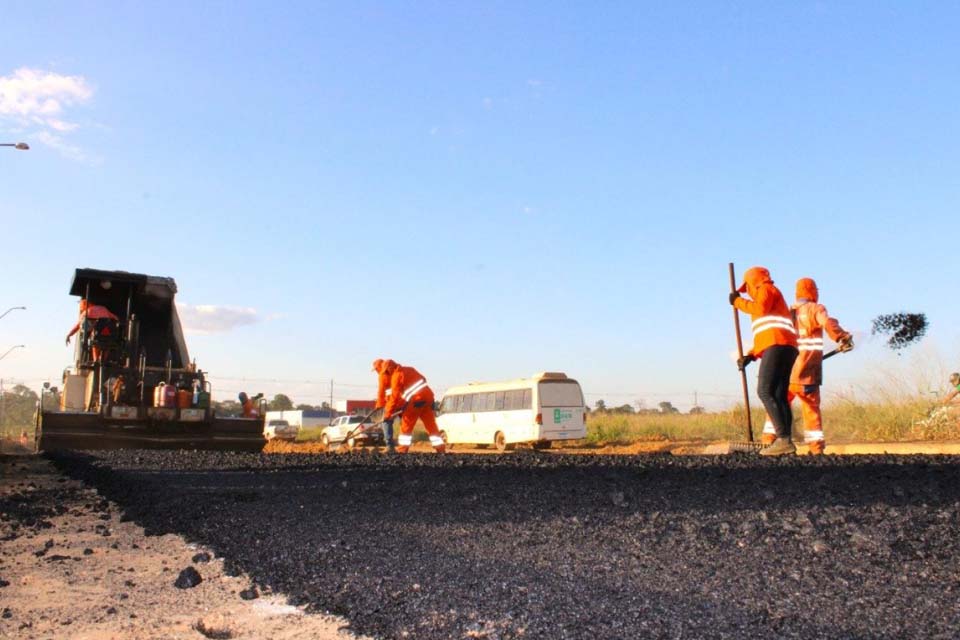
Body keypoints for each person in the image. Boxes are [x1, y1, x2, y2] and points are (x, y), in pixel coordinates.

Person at [730, 266, 799, 456]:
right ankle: (786, 441)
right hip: (784, 346)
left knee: (764, 391)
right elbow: (767, 334)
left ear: (753, 281)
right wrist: (751, 356)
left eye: (747, 288)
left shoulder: (766, 289)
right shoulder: (769, 295)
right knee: (778, 394)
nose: (748, 292)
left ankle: (783, 439)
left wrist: (738, 302)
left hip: (778, 346)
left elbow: (760, 310)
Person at [785, 277, 852, 454]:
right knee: (811, 409)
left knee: (778, 407)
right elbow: (828, 323)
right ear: (813, 292)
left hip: (786, 372)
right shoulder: (815, 309)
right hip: (806, 373)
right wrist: (842, 336)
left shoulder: (786, 312)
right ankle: (815, 450)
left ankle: (769, 443)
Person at [380, 359, 445, 454]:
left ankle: (402, 449)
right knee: (431, 425)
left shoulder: (396, 376)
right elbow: (423, 379)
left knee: (406, 424)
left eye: (386, 371)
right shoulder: (410, 369)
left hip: (416, 401)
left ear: (390, 368)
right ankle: (441, 448)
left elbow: (394, 397)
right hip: (429, 398)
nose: (387, 373)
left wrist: (388, 413)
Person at [372, 358, 396, 452]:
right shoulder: (392, 371)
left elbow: (381, 392)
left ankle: (389, 445)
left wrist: (378, 406)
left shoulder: (382, 375)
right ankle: (397, 445)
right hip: (399, 400)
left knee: (386, 420)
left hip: (393, 402)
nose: (376, 372)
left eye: (376, 369)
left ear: (378, 367)